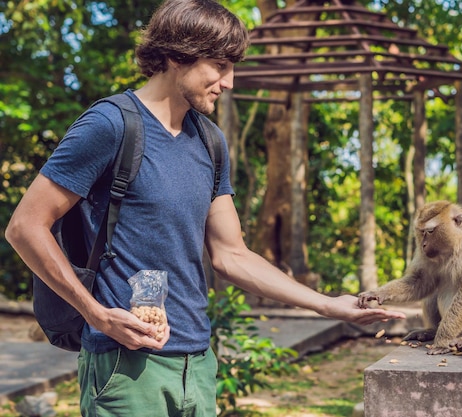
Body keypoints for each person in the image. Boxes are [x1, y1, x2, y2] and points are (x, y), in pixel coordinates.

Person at [5, 0, 405, 416]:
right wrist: (96, 314)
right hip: (126, 368)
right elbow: (25, 226)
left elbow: (231, 255)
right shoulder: (110, 125)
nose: (229, 82)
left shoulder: (210, 142)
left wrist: (326, 304)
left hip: (197, 364)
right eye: (219, 66)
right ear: (177, 56)